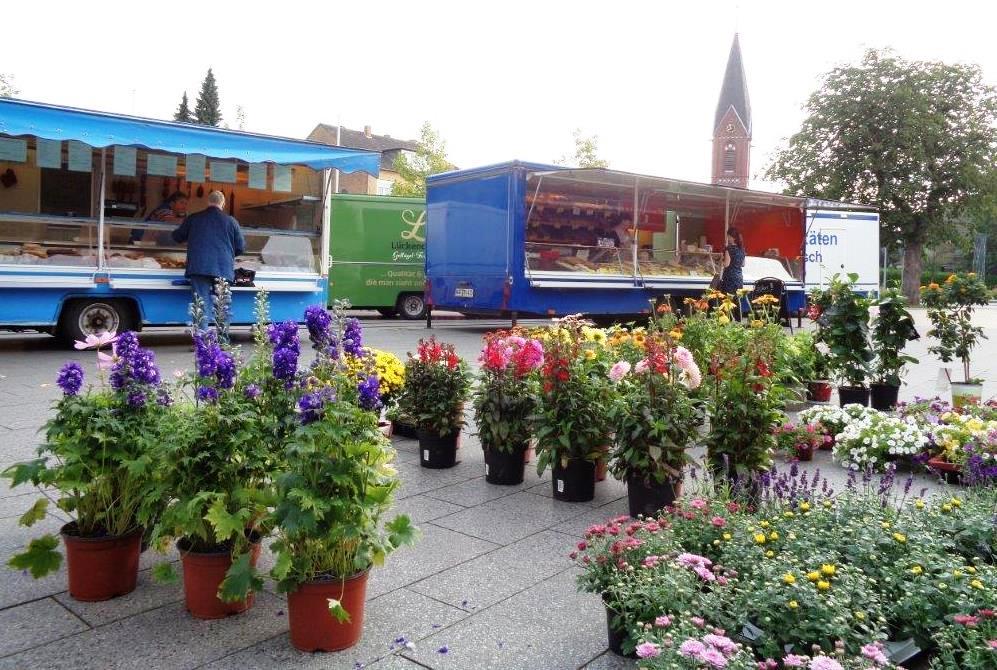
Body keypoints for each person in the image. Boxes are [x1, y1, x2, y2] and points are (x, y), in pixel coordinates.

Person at [171, 191, 245, 326]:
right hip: (223, 268)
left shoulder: (194, 218)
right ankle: (222, 337)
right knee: (222, 307)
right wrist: (226, 255)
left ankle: (202, 337)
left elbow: (177, 237)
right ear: (223, 203)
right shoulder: (231, 221)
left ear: (208, 202)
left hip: (199, 267)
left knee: (200, 304)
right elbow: (240, 247)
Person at [719, 228, 746, 320]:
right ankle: (738, 320)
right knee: (737, 300)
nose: (728, 238)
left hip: (729, 277)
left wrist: (721, 260)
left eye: (728, 236)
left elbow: (726, 264)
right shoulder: (742, 249)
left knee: (727, 300)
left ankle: (727, 320)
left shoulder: (729, 249)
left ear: (732, 237)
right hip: (738, 277)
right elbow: (743, 264)